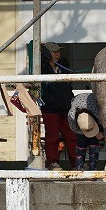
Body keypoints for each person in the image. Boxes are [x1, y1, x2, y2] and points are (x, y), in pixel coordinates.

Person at [67, 93, 106, 170]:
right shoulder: (71, 116)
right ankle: (80, 168)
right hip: (82, 120)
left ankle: (91, 169)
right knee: (81, 142)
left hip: (94, 110)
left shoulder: (99, 112)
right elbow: (75, 129)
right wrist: (93, 132)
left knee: (92, 142)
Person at [40, 42, 77, 170]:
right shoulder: (42, 70)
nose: (57, 54)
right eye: (54, 52)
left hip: (65, 108)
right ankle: (52, 163)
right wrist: (50, 100)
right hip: (51, 109)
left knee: (72, 137)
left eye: (58, 52)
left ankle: (77, 163)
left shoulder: (63, 68)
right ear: (46, 54)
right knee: (52, 137)